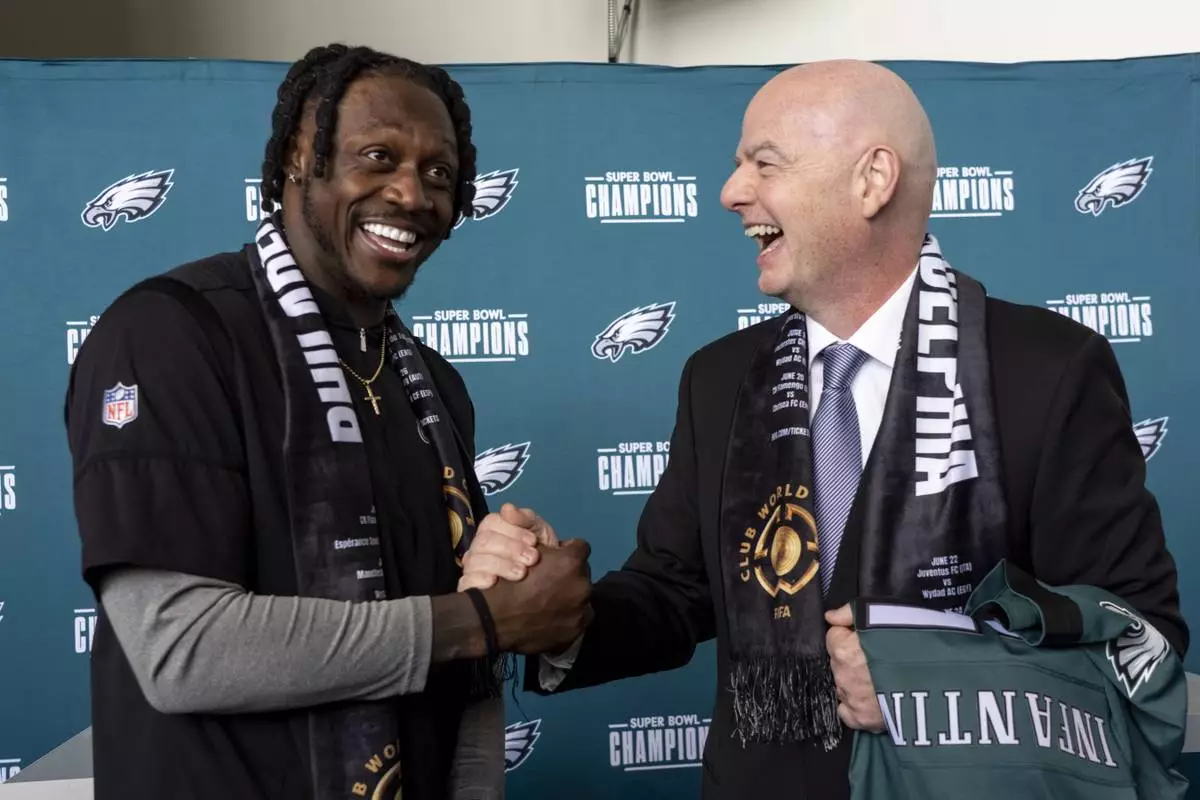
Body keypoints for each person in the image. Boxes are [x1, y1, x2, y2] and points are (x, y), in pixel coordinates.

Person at [458, 60, 1189, 799]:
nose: (731, 192)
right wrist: (556, 611)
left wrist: (927, 688)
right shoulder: (718, 378)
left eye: (762, 163)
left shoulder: (1048, 369)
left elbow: (1138, 641)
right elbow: (675, 592)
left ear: (872, 180)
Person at [64, 44, 591, 800]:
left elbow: (465, 684)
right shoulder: (171, 334)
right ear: (297, 162)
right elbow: (181, 648)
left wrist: (502, 592)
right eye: (378, 156)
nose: (412, 194)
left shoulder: (430, 384)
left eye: (439, 174)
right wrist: (480, 619)